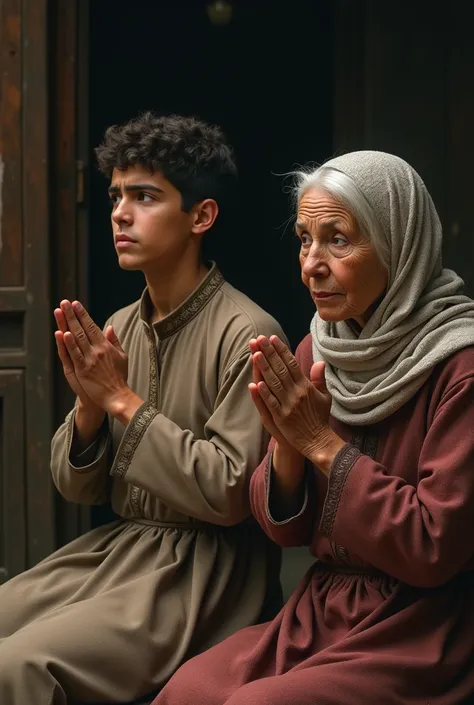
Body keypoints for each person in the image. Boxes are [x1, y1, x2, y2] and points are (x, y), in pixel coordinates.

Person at [152, 150, 474, 705]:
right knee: (188, 691)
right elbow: (284, 530)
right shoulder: (318, 348)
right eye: (304, 239)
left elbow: (432, 545)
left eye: (339, 239)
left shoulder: (458, 365)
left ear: (399, 245)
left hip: (420, 625)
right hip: (320, 612)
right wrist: (287, 445)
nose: (311, 264)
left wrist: (321, 444)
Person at [0, 112, 285, 704]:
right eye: (116, 196)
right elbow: (79, 490)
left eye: (145, 196)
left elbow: (231, 494)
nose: (120, 214)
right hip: (123, 550)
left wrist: (122, 401)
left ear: (201, 216)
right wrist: (88, 409)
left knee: (22, 664)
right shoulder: (120, 327)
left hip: (204, 575)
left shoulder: (249, 331)